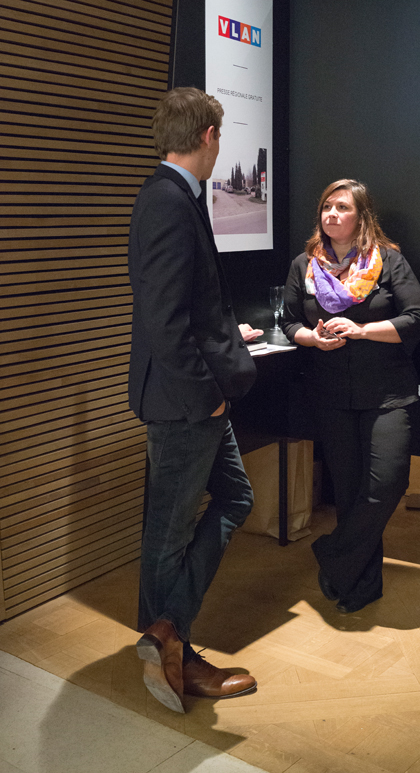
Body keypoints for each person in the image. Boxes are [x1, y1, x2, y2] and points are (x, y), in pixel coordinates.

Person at [128, 87, 263, 713]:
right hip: (186, 402)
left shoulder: (173, 196)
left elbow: (187, 306)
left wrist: (227, 338)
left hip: (190, 394)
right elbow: (163, 320)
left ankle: (163, 635)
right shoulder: (167, 201)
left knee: (233, 499)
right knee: (169, 532)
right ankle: (171, 652)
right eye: (221, 136)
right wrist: (205, 395)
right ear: (209, 136)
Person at [282, 179, 420, 614]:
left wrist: (362, 330)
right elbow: (289, 322)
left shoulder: (389, 261)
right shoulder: (304, 265)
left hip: (387, 391)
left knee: (388, 482)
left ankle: (332, 552)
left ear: (361, 216)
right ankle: (360, 586)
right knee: (347, 493)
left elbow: (418, 316)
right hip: (330, 393)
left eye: (342, 207)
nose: (331, 214)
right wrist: (312, 338)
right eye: (326, 206)